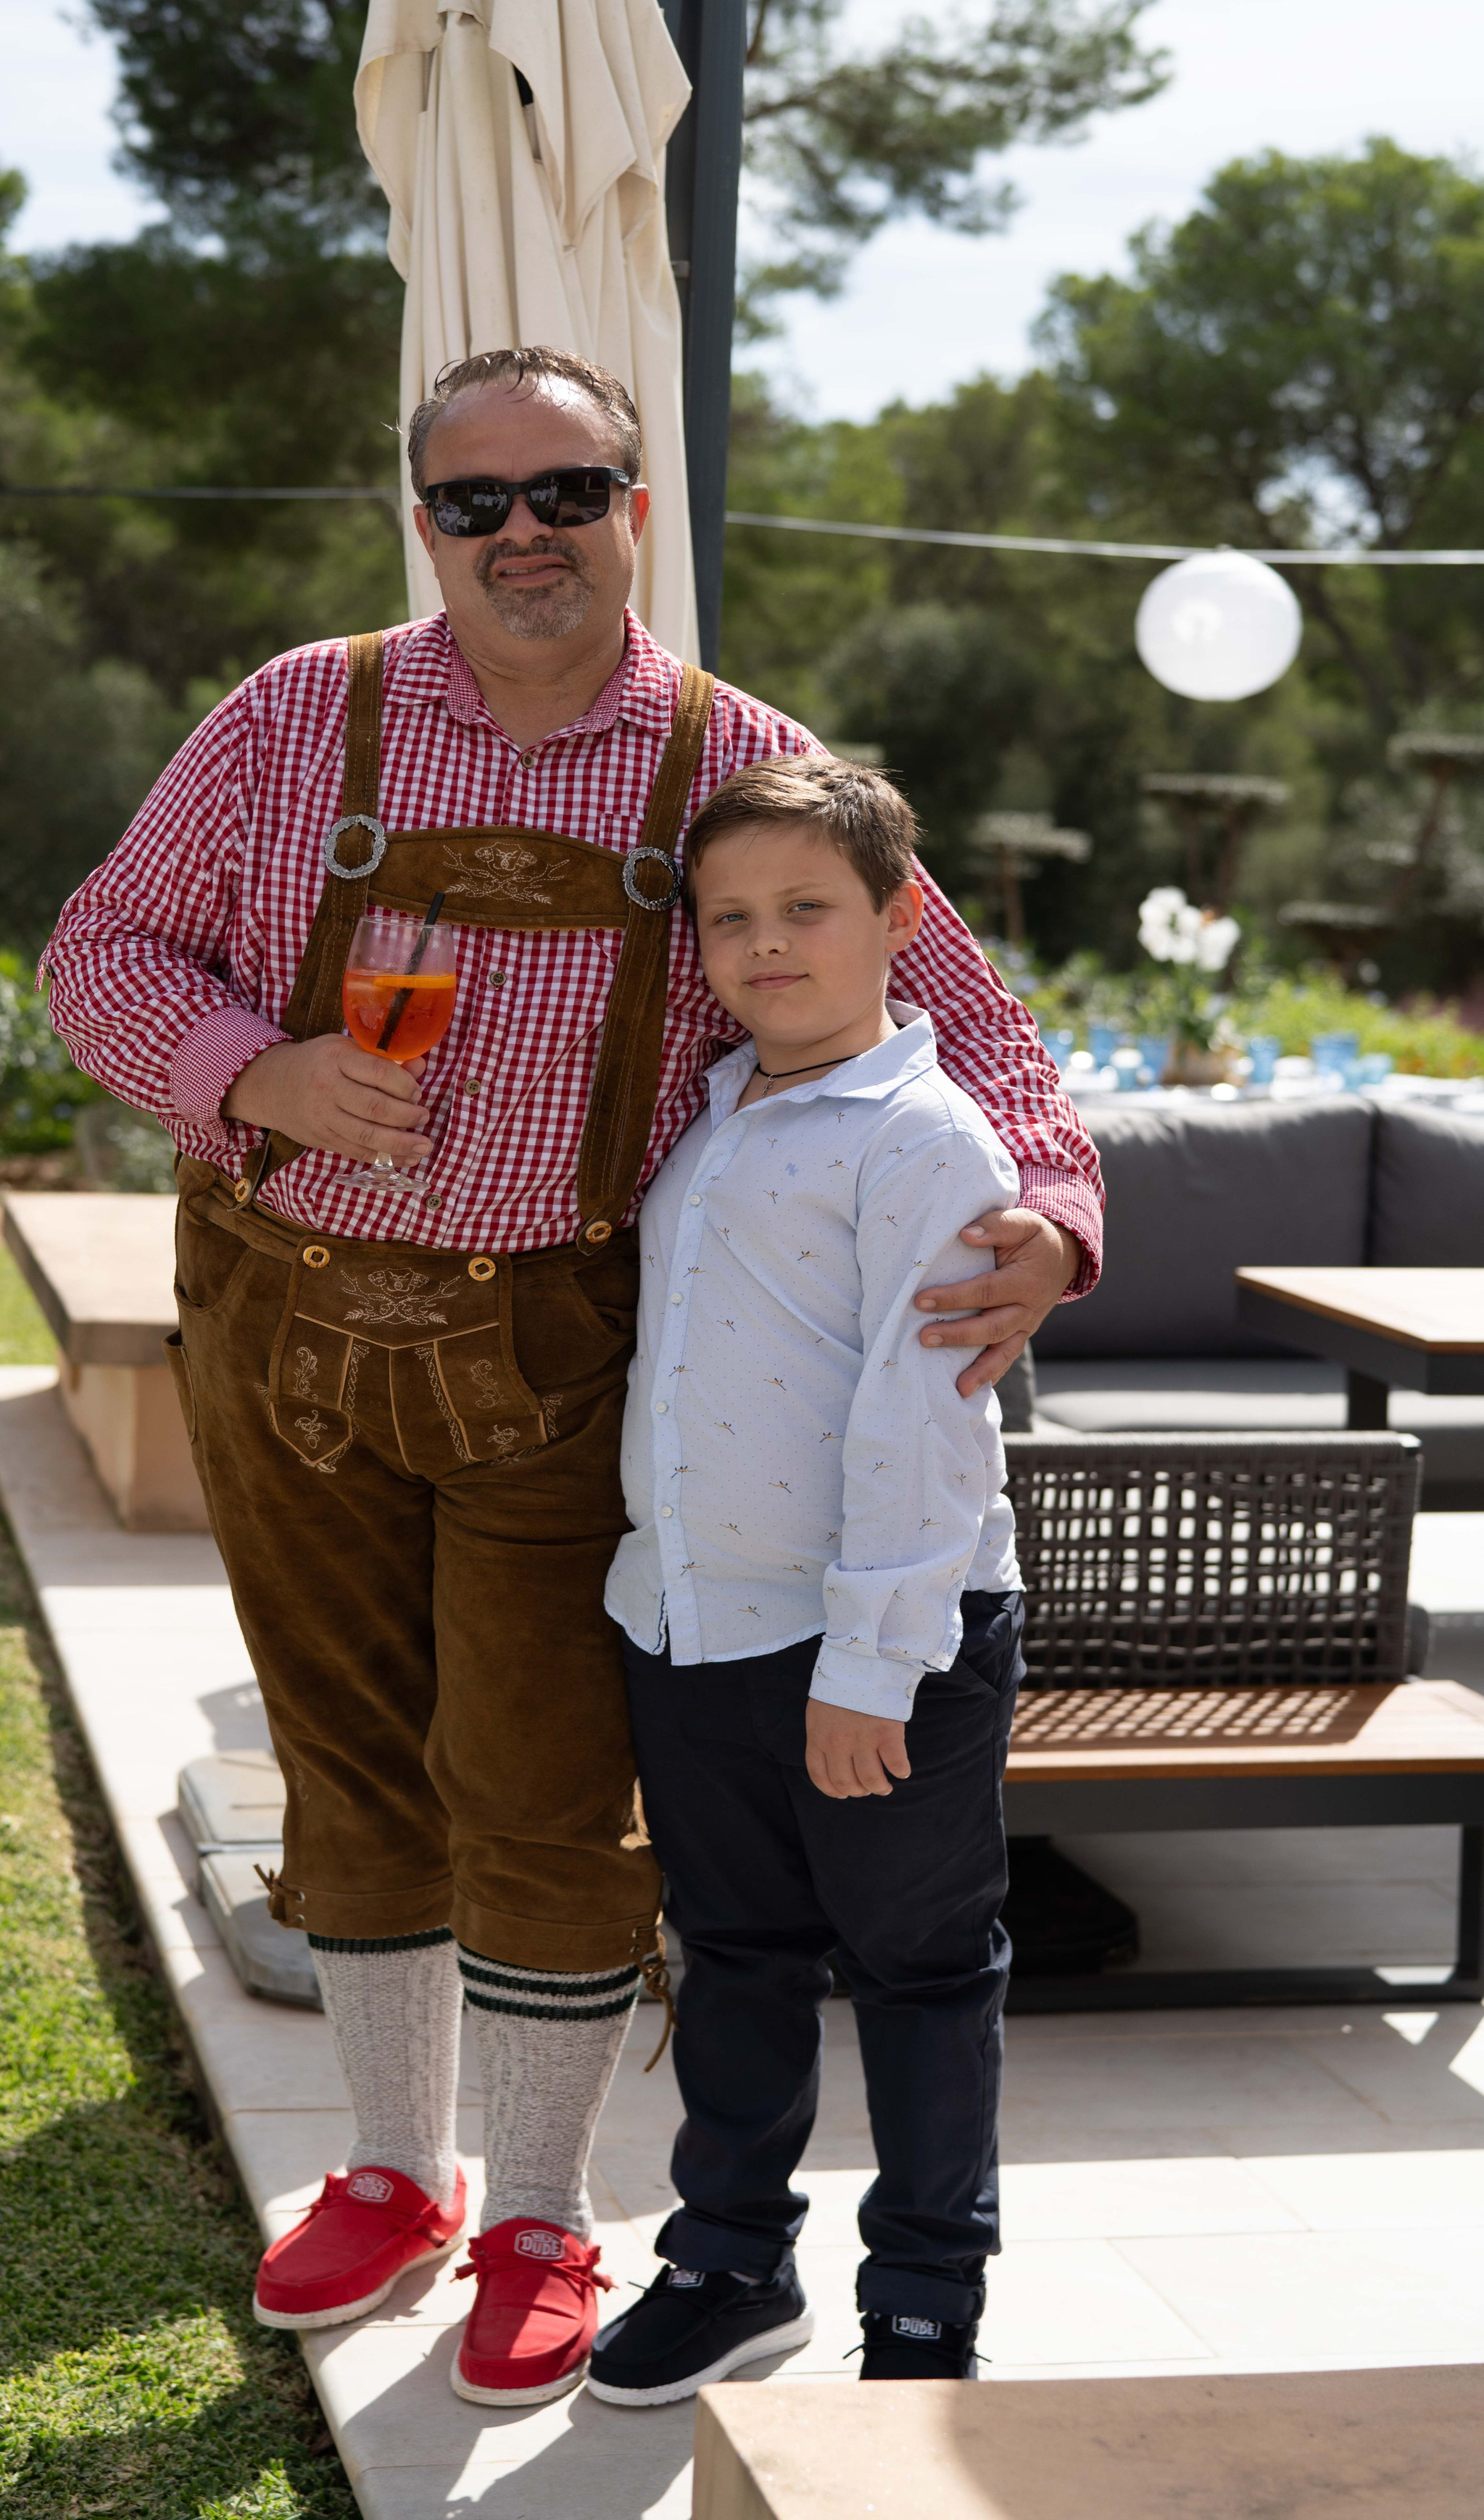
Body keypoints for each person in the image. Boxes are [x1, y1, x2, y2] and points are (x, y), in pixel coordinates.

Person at [41, 345, 1101, 2410]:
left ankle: (536, 2213)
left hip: (561, 1342)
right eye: (475, 500)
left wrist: (1051, 1210)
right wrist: (254, 1070)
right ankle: (386, 2173)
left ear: (638, 502)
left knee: (538, 1783)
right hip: (279, 1309)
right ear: (420, 515)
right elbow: (102, 953)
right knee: (345, 1764)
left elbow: (970, 1014)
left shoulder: (733, 751)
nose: (521, 533)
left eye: (568, 489)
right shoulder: (295, 715)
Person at [586, 754, 1024, 2408]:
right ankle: (726, 2263)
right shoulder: (713, 1114)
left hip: (875, 1644)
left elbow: (925, 1417)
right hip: (695, 1624)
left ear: (898, 919)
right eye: (729, 919)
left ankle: (921, 2303)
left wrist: (871, 1662)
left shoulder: (920, 1137)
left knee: (916, 1970)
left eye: (806, 911)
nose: (765, 946)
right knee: (736, 1955)